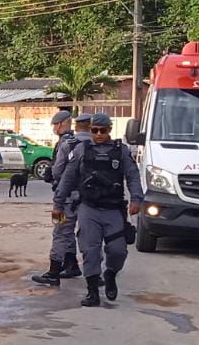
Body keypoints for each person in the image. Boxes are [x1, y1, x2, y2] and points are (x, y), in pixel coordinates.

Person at [53, 112, 143, 307]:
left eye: (103, 130)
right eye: (95, 131)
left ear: (110, 130)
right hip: (89, 208)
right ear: (90, 130)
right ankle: (92, 291)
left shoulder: (121, 151)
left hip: (113, 209)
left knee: (118, 251)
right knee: (90, 250)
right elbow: (67, 178)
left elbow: (133, 176)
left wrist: (136, 198)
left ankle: (110, 274)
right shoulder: (81, 150)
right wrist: (58, 204)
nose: (99, 134)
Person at [31, 110, 86, 286]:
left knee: (60, 231)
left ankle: (54, 271)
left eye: (55, 125)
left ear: (62, 125)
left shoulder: (64, 143)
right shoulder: (87, 142)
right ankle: (71, 264)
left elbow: (57, 171)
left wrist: (51, 175)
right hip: (85, 197)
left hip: (63, 198)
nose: (54, 128)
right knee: (80, 233)